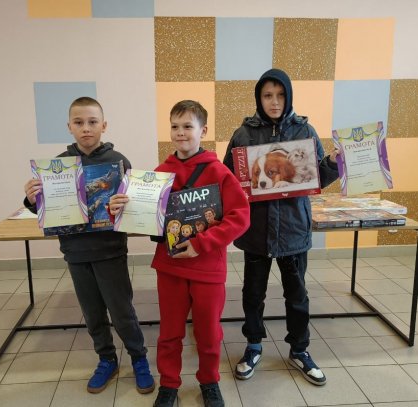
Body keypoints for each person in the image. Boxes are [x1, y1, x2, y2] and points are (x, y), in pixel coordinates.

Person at [109, 100, 250, 407]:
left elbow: (240, 217)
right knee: (170, 332)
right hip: (171, 267)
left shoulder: (219, 172)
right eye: (175, 126)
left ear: (203, 131)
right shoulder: (160, 174)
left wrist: (202, 243)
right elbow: (143, 218)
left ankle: (209, 381)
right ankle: (169, 384)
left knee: (209, 333)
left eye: (188, 126)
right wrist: (118, 209)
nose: (180, 132)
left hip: (208, 269)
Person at [23, 97, 155, 395]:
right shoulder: (57, 165)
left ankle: (138, 358)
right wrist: (32, 199)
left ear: (103, 125)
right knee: (93, 313)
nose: (86, 128)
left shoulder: (118, 161)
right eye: (79, 122)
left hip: (110, 251)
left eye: (92, 122)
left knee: (122, 312)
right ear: (69, 126)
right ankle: (106, 359)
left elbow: (133, 207)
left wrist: (126, 204)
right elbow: (47, 208)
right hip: (76, 253)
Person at [223, 69, 339, 386]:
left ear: (288, 97)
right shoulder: (243, 134)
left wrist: (334, 163)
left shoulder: (304, 131)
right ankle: (253, 346)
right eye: (267, 95)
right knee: (253, 293)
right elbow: (227, 179)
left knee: (297, 294)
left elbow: (317, 177)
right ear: (258, 98)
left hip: (293, 231)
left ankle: (299, 350)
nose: (274, 102)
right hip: (256, 232)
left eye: (280, 95)